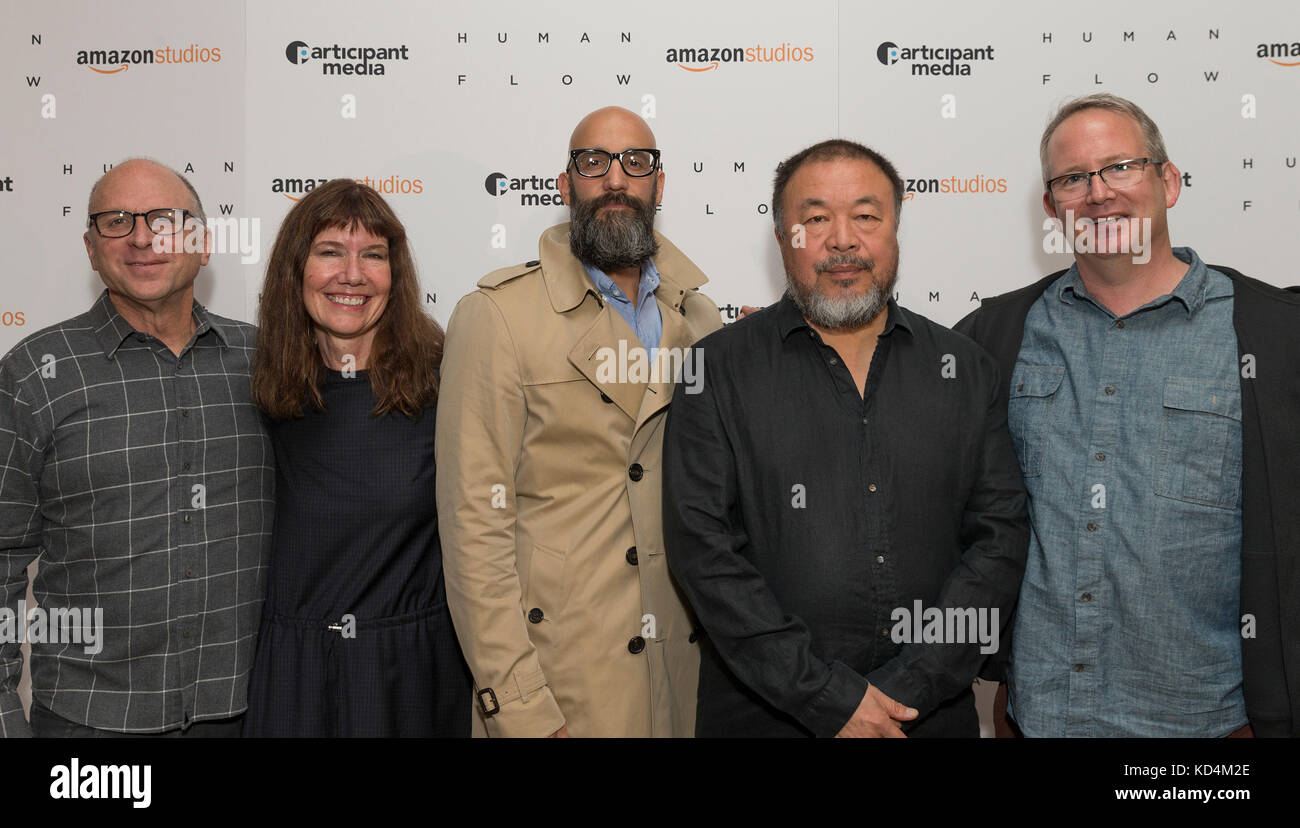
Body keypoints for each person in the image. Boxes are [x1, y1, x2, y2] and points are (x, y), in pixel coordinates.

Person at [955, 92, 1300, 737]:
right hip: (1038, 719)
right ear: (1051, 207)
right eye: (1072, 178)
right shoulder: (995, 337)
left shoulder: (1274, 339)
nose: (1098, 192)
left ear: (1168, 182)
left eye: (1121, 167)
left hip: (1211, 733)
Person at [662, 139, 1030, 738]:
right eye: (814, 219)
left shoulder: (965, 368)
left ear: (895, 231)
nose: (842, 240)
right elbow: (704, 553)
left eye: (866, 216)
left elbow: (999, 540)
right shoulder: (715, 370)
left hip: (926, 716)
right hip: (762, 717)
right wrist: (826, 697)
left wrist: (907, 687)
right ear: (783, 240)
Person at [436, 106, 723, 737]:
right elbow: (472, 528)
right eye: (593, 162)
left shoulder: (701, 319)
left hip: (684, 669)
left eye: (636, 162)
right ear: (564, 186)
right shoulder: (498, 317)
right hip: (562, 678)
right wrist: (520, 707)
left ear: (660, 185)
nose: (615, 179)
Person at [0, 158, 273, 737]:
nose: (143, 238)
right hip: (88, 724)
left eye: (166, 220)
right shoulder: (36, 374)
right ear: (91, 247)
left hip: (245, 711)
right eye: (117, 220)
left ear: (203, 243)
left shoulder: (265, 364)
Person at [243, 178, 470, 737]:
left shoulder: (447, 385)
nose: (352, 274)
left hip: (414, 674)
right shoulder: (255, 386)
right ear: (295, 269)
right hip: (292, 675)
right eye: (329, 252)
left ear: (395, 275)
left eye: (373, 255)